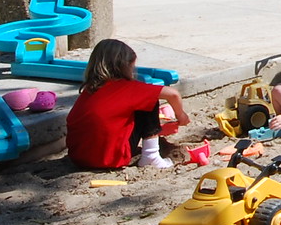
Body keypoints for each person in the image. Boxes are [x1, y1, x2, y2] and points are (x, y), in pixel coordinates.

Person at [65, 38, 189, 171]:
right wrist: (181, 115)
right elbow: (173, 94)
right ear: (125, 66)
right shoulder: (128, 88)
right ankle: (151, 157)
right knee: (150, 99)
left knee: (141, 101)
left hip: (78, 157)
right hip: (108, 158)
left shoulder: (89, 89)